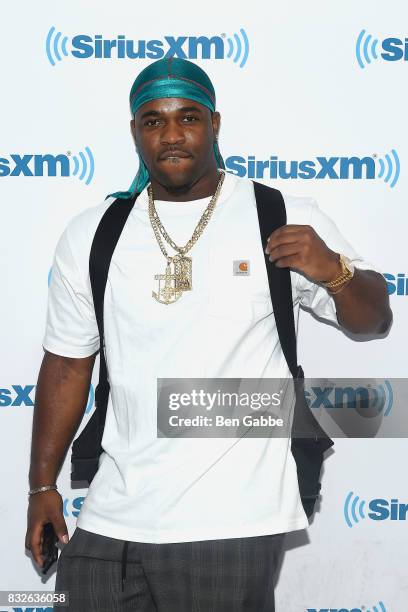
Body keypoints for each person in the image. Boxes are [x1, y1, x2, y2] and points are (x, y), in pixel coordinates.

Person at [25, 57, 392, 611]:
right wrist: (42, 486)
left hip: (230, 523)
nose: (171, 135)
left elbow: (374, 322)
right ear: (134, 132)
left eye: (188, 118)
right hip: (108, 518)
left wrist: (334, 269)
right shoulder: (95, 233)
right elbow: (67, 365)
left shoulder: (280, 214)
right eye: (153, 120)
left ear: (215, 124)